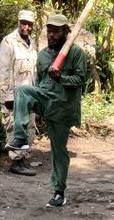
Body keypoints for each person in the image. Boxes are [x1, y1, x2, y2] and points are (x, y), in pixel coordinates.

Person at [8, 13, 91, 208]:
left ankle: (59, 191)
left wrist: (60, 77)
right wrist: (38, 110)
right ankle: (20, 136)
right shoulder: (44, 54)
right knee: (22, 90)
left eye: (56, 31)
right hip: (45, 99)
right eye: (49, 31)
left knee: (58, 151)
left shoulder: (76, 53)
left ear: (66, 32)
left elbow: (80, 80)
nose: (52, 35)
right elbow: (39, 82)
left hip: (63, 107)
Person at [0, 9, 38, 176]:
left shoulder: (33, 43)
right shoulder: (8, 42)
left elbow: (35, 71)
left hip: (30, 93)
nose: (26, 27)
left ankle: (23, 158)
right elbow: (3, 71)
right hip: (14, 95)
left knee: (29, 126)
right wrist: (7, 95)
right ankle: (16, 162)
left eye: (29, 24)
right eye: (23, 23)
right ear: (18, 22)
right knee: (14, 127)